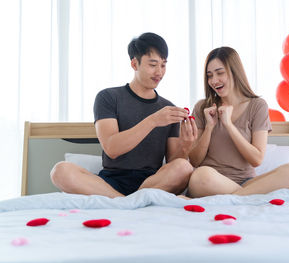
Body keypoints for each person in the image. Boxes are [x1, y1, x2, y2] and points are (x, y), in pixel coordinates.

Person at [51, 32, 197, 198]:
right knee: (60, 171)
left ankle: (131, 200)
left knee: (184, 167)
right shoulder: (108, 97)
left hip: (152, 183)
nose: (159, 72)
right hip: (110, 183)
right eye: (153, 64)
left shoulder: (168, 108)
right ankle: (125, 201)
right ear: (134, 64)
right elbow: (112, 148)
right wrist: (154, 120)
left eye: (163, 65)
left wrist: (186, 146)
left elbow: (173, 163)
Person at [187, 47, 289, 197]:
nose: (214, 80)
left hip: (246, 182)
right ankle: (249, 196)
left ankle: (239, 197)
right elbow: (195, 161)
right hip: (212, 181)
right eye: (210, 75)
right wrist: (210, 127)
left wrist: (229, 125)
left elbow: (257, 159)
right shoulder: (202, 108)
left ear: (235, 72)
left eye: (220, 73)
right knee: (200, 176)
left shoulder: (257, 106)